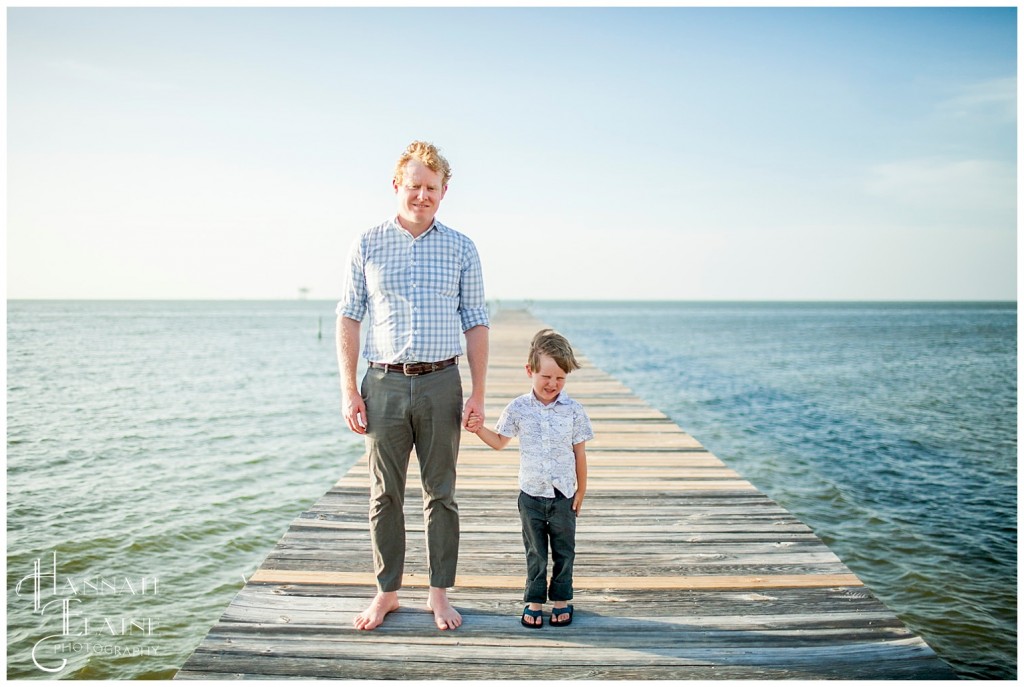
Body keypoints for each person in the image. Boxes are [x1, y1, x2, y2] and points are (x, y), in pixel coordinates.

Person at [336, 141, 489, 631]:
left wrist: (479, 392)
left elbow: (477, 321)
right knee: (385, 495)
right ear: (397, 185)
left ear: (444, 191)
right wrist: (348, 389)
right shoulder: (367, 244)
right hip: (382, 383)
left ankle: (439, 594)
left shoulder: (462, 247)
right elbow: (349, 316)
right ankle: (387, 593)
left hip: (443, 381)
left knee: (440, 493)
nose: (422, 195)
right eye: (414, 185)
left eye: (432, 188)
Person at [465, 329, 592, 628]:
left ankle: (561, 599)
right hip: (531, 496)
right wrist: (476, 428)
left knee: (564, 550)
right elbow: (499, 441)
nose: (553, 384)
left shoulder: (574, 411)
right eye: (546, 376)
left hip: (563, 495)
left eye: (560, 378)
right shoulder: (518, 408)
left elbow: (580, 454)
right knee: (535, 551)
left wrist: (581, 491)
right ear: (530, 371)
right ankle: (535, 600)